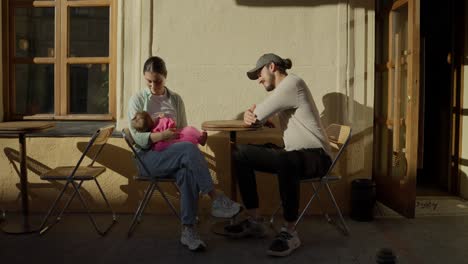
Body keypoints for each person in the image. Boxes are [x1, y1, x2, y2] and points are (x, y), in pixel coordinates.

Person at [128, 56, 240, 251]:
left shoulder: (176, 100)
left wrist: (184, 137)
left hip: (171, 154)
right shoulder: (138, 100)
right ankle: (215, 197)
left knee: (187, 171)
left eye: (158, 81)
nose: (153, 85)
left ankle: (188, 231)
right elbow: (136, 138)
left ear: (166, 77)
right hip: (147, 159)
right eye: (149, 81)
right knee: (188, 150)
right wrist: (162, 134)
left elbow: (182, 130)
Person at [225, 53, 332, 257]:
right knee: (241, 153)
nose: (258, 80)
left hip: (317, 157)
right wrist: (256, 115)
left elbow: (256, 116)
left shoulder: (293, 83)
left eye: (260, 74)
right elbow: (263, 114)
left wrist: (253, 115)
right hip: (294, 155)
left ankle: (290, 232)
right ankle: (255, 221)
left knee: (286, 159)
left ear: (272, 67)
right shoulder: (286, 90)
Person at [131, 111, 207, 151]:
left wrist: (163, 118)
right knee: (187, 143)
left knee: (189, 129)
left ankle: (200, 138)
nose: (152, 120)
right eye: (150, 120)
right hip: (173, 142)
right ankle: (196, 140)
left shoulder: (158, 120)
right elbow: (158, 147)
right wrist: (165, 138)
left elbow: (172, 123)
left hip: (179, 133)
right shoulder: (154, 133)